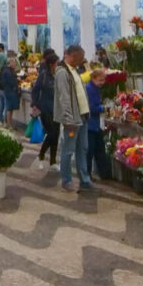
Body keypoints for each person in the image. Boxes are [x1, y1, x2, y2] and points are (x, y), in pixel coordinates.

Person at [53, 44, 92, 192]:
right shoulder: (62, 72)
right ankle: (66, 180)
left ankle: (85, 180)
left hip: (83, 116)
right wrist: (68, 119)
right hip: (73, 119)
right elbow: (64, 98)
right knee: (68, 150)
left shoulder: (74, 70)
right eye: (81, 58)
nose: (83, 61)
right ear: (73, 56)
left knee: (83, 149)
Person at [31, 51, 59, 167]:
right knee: (51, 134)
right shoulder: (43, 75)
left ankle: (53, 160)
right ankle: (41, 155)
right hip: (46, 109)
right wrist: (35, 104)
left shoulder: (58, 75)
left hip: (57, 109)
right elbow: (35, 90)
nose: (58, 65)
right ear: (51, 64)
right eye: (57, 63)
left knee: (56, 135)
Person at [85, 68, 108, 182]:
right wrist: (103, 108)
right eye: (100, 80)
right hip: (90, 124)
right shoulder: (89, 89)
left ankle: (103, 173)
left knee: (99, 148)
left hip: (96, 124)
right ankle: (87, 175)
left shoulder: (95, 88)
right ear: (93, 78)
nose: (102, 82)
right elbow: (91, 107)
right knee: (90, 151)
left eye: (103, 80)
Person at [0, 53, 21, 124]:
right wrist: (16, 81)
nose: (15, 64)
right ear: (11, 62)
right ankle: (7, 123)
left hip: (2, 90)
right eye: (14, 63)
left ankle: (0, 120)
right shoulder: (8, 71)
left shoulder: (4, 69)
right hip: (8, 91)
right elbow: (10, 81)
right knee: (8, 107)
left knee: (2, 105)